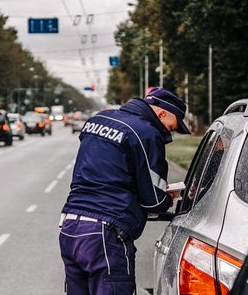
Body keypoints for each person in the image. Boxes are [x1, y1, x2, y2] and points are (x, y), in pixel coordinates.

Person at [58, 87, 191, 294]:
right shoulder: (147, 133)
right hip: (105, 234)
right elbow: (153, 200)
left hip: (70, 227)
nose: (169, 133)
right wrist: (168, 198)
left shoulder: (97, 120)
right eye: (171, 127)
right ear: (162, 114)